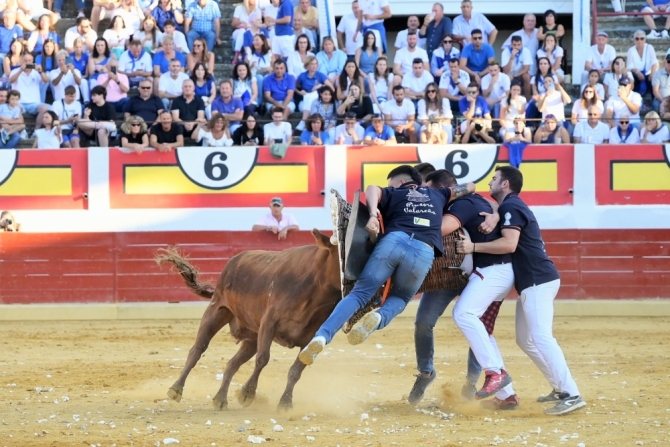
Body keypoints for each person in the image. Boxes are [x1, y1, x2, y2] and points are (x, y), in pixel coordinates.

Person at [299, 165, 476, 366]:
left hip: (394, 241)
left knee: (359, 294)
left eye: (390, 182)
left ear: (400, 182)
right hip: (423, 250)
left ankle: (321, 337)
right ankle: (380, 316)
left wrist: (374, 215)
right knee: (400, 297)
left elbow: (373, 188)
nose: (388, 185)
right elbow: (470, 186)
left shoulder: (395, 192)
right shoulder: (439, 194)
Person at [457, 165, 587, 416]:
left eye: (494, 179)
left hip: (537, 279)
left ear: (505, 184)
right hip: (535, 279)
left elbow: (509, 243)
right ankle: (560, 387)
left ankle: (572, 393)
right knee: (526, 340)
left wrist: (472, 247)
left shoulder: (511, 206)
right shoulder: (511, 206)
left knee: (541, 337)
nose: (490, 183)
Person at [408, 168, 516, 408]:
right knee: (425, 322)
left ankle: (473, 381)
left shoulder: (463, 203)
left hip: (479, 274)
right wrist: (496, 214)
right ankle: (427, 373)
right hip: (449, 274)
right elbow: (493, 206)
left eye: (429, 190)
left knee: (472, 323)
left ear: (444, 190)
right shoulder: (473, 202)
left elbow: (440, 230)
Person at [8, 54, 49, 128]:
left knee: (44, 108)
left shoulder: (36, 73)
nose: (27, 62)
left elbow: (46, 81)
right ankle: (22, 130)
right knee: (16, 108)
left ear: (32, 62)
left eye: (29, 61)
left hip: (34, 103)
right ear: (21, 62)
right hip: (19, 102)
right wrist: (21, 70)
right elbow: (11, 80)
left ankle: (36, 131)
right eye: (25, 61)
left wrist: (41, 71)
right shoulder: (15, 71)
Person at [502, 14, 539, 78]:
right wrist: (514, 55)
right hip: (519, 66)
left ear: (535, 22)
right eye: (528, 20)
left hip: (535, 65)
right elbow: (503, 48)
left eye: (532, 21)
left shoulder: (539, 32)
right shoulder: (516, 34)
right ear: (523, 22)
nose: (530, 22)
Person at [295, 56, 327, 130]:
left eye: (316, 64)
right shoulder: (302, 76)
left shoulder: (320, 75)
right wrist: (299, 92)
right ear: (307, 65)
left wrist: (320, 85)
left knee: (312, 95)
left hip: (319, 102)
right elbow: (294, 87)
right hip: (304, 102)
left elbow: (331, 87)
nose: (314, 66)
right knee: (309, 96)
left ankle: (303, 122)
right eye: (312, 64)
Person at [626, 30, 658, 96]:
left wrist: (652, 74)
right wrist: (638, 72)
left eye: (642, 38)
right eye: (637, 39)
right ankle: (634, 98)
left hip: (648, 73)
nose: (639, 41)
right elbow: (629, 66)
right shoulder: (631, 50)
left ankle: (654, 99)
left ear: (645, 40)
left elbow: (654, 62)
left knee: (653, 79)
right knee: (631, 79)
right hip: (636, 74)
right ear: (634, 40)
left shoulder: (649, 47)